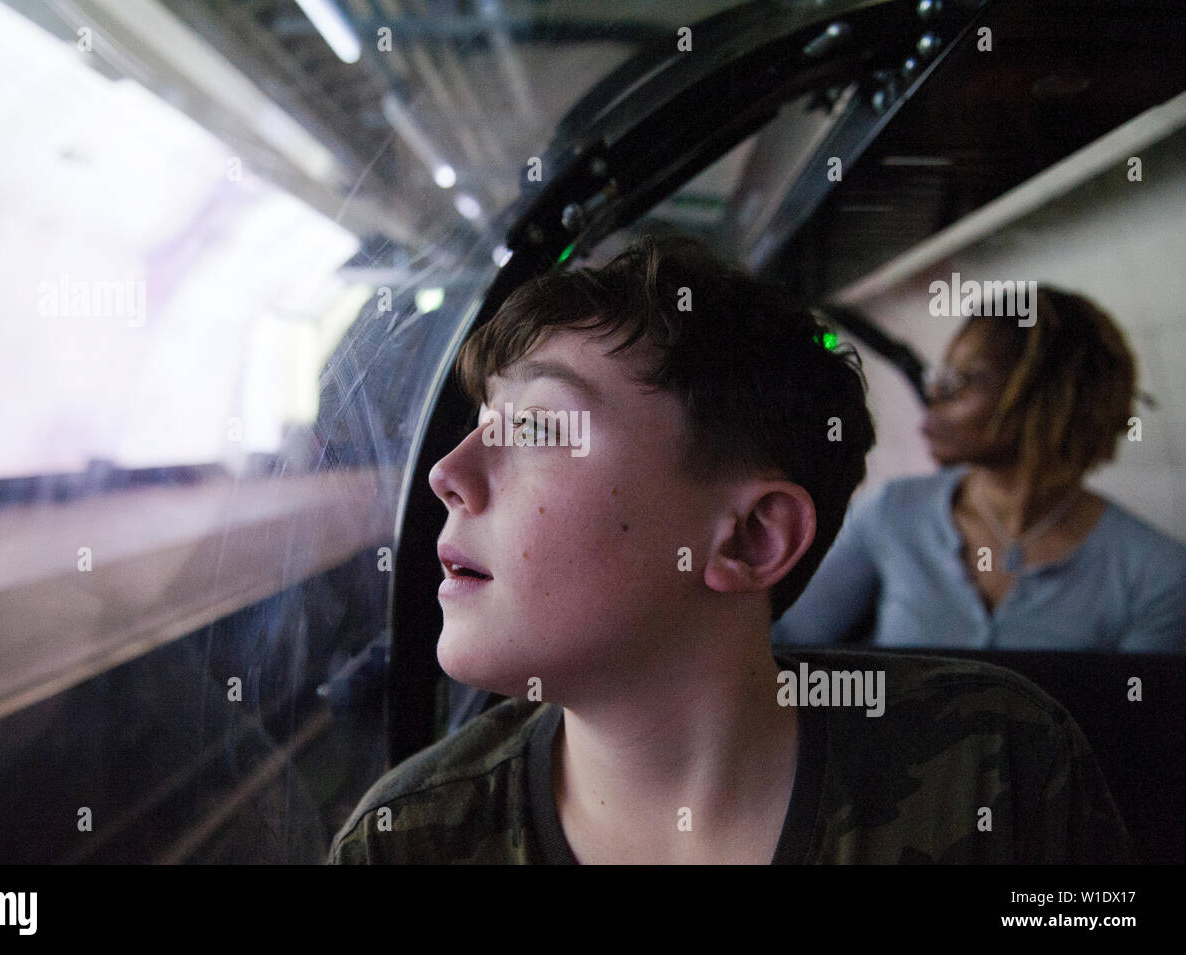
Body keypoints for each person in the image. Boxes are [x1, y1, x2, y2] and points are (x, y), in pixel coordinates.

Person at [329, 239, 1132, 863]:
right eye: (484, 419)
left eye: (540, 425)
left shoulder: (1004, 766)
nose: (446, 473)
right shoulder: (404, 838)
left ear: (752, 538)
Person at [774, 287, 1186, 653]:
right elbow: (787, 643)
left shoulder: (1158, 576)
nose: (934, 393)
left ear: (1044, 397)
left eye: (961, 379)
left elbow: (1137, 726)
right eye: (940, 377)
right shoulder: (891, 510)